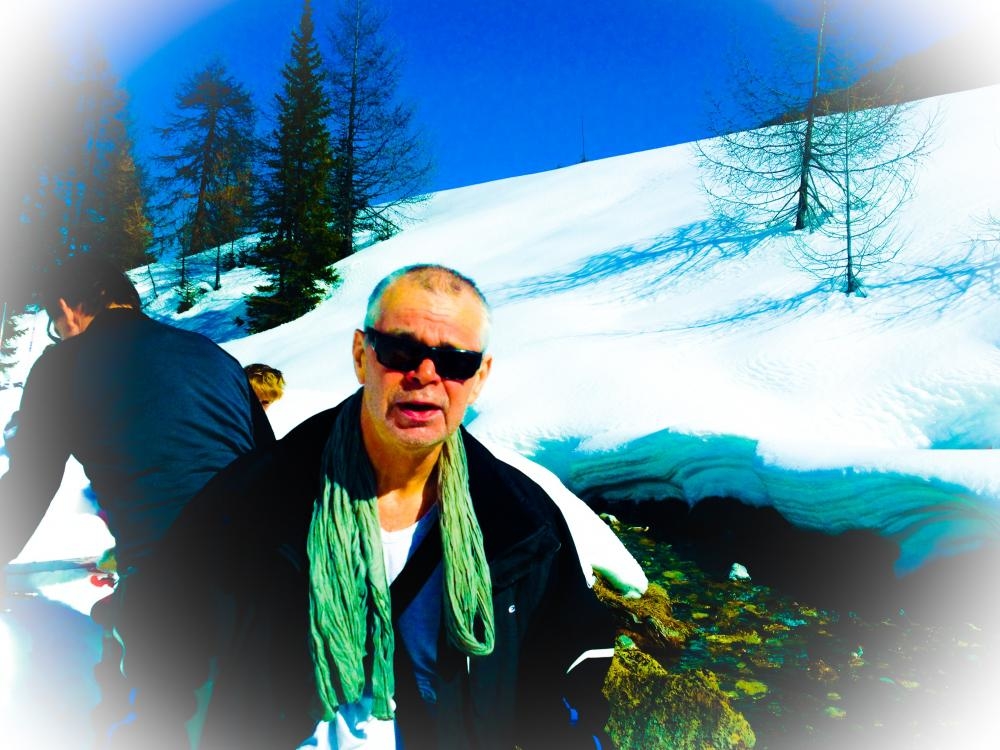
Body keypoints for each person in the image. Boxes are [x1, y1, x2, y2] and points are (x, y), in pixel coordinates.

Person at [130, 264, 620, 749]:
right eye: (400, 351)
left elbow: (567, 680)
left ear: (479, 377)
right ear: (361, 356)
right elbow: (160, 642)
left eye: (454, 361)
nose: (425, 375)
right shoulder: (255, 500)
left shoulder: (522, 523)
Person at [0, 253, 274, 747]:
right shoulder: (217, 356)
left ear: (67, 306)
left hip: (171, 600)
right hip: (271, 587)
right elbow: (271, 466)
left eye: (55, 324)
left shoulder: (63, 364)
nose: (58, 334)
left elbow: (28, 486)